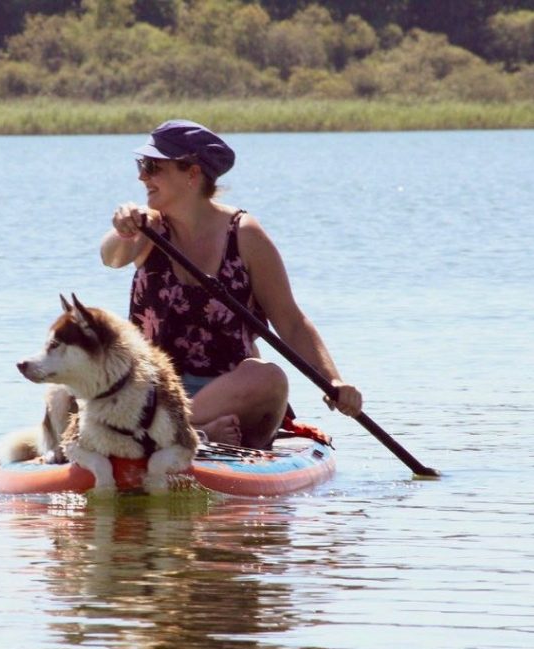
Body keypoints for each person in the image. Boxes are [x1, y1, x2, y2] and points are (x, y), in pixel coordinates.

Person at [100, 119, 362, 448]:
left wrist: (333, 380)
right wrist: (124, 230)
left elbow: (291, 322)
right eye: (142, 165)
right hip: (154, 392)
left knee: (269, 377)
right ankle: (192, 432)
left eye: (153, 167)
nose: (142, 176)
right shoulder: (147, 226)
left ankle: (171, 431)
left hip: (229, 395)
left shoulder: (245, 235)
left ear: (192, 173)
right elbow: (111, 257)